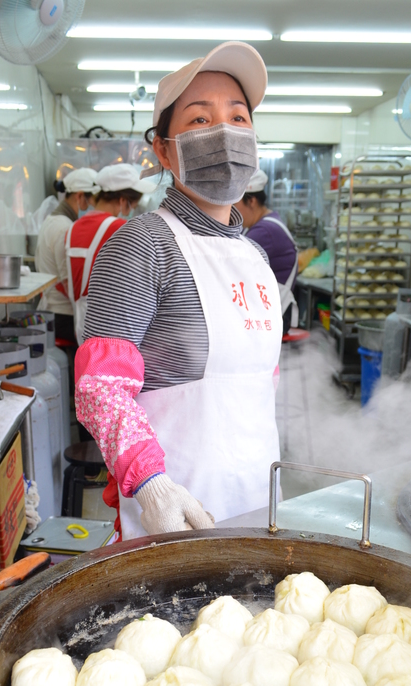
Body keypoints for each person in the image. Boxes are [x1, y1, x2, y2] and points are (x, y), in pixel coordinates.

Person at [75, 42, 282, 541]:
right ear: (163, 149)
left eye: (238, 117)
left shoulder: (255, 256)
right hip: (177, 513)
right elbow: (100, 390)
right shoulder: (143, 243)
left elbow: (258, 388)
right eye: (199, 120)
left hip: (258, 502)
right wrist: (150, 484)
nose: (224, 133)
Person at [66, 164, 157, 345]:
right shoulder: (119, 228)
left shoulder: (73, 227)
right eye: (133, 204)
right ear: (123, 201)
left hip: (80, 322)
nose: (132, 210)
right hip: (109, 325)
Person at [35, 167, 99, 347]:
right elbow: (67, 285)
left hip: (53, 310)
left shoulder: (53, 220)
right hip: (62, 316)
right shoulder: (64, 228)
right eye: (92, 202)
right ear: (80, 197)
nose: (94, 208)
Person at [235, 169, 299, 335]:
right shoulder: (268, 223)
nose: (233, 212)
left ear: (252, 201)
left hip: (271, 316)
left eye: (236, 205)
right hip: (270, 314)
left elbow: (234, 268)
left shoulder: (265, 231)